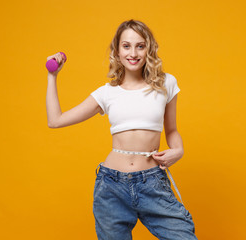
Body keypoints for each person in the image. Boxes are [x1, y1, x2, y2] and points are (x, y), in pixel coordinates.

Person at [46, 19, 198, 240]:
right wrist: (52, 76)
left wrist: (179, 150)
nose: (133, 53)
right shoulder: (107, 93)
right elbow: (56, 120)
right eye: (126, 46)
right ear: (117, 51)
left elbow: (172, 130)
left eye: (140, 46)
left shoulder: (166, 84)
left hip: (152, 183)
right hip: (111, 186)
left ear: (149, 49)